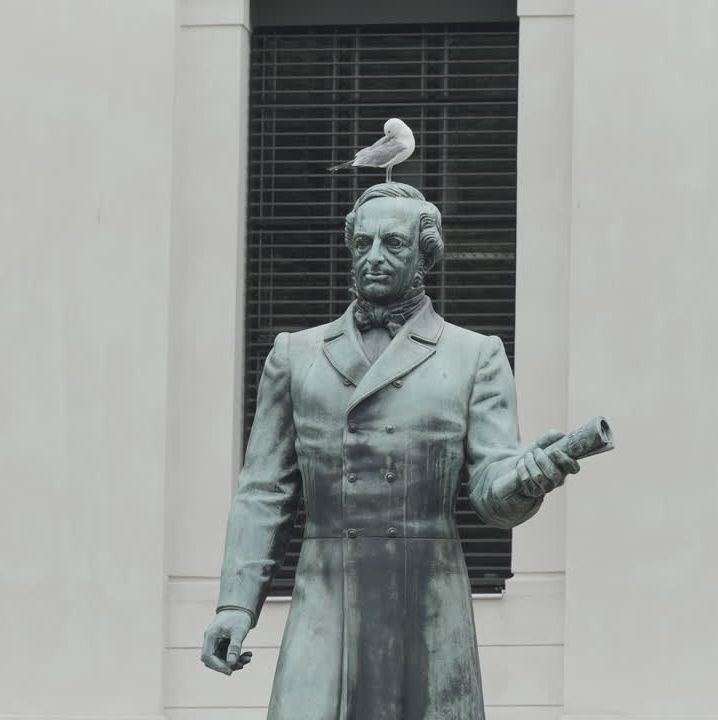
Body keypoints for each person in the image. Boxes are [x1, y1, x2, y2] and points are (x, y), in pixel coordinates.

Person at [200, 183, 579, 719]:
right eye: (364, 243)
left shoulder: (474, 356)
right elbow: (264, 492)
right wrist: (236, 605)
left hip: (427, 594)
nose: (373, 256)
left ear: (425, 256)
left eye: (393, 244)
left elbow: (492, 494)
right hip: (325, 593)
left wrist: (530, 476)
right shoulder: (295, 355)